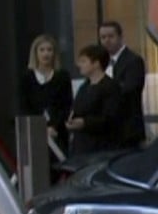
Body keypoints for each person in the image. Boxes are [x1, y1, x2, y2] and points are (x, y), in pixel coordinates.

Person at [19, 33, 73, 161]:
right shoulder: (27, 77)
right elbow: (24, 105)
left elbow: (66, 104)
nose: (46, 54)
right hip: (34, 132)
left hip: (57, 132)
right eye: (42, 50)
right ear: (35, 53)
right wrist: (40, 128)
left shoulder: (62, 76)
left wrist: (53, 126)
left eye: (49, 50)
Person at [66, 44, 121, 156]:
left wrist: (85, 123)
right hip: (81, 146)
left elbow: (111, 118)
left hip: (101, 147)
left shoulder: (110, 86)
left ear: (96, 63)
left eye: (83, 61)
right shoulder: (84, 87)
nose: (79, 65)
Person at [98, 20, 146, 148]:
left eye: (111, 36)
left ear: (120, 37)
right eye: (103, 37)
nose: (107, 41)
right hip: (106, 131)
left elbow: (130, 90)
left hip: (127, 129)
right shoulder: (100, 62)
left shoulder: (133, 60)